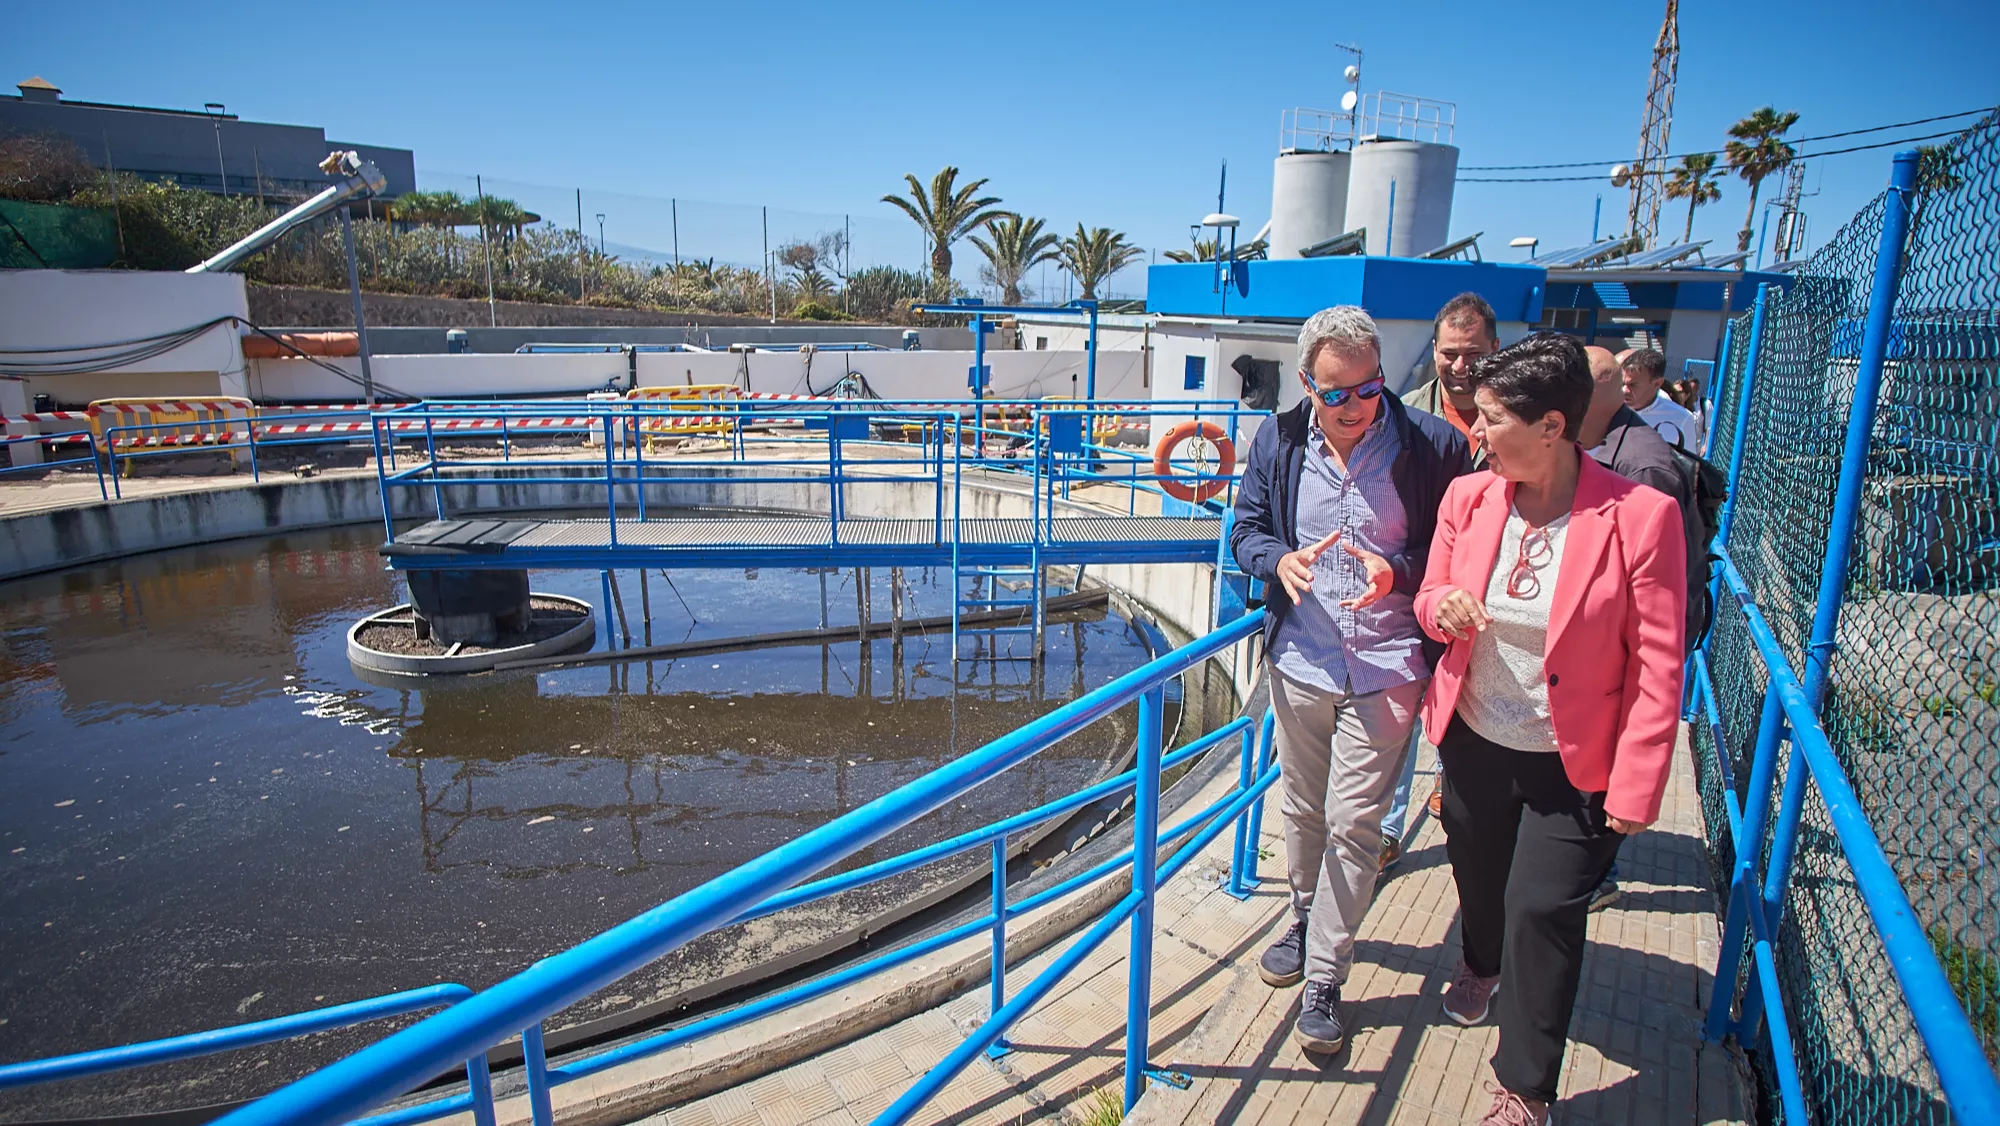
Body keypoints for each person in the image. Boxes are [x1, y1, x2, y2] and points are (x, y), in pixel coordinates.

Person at [1415, 332, 1685, 1125]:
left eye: (1493, 417)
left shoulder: (1642, 518)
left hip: (1574, 762)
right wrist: (1441, 608)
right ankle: (1481, 961)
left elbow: (1658, 663)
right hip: (1474, 741)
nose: (1477, 430)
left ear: (1552, 427)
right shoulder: (1469, 498)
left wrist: (1638, 784)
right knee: (1479, 880)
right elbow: (1430, 594)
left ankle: (1525, 1087)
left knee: (1542, 910)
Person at [1230, 305, 1473, 1054]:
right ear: (1308, 384)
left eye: (1369, 389)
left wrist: (1396, 570)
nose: (1355, 407)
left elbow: (1455, 551)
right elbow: (1245, 532)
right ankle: (1304, 917)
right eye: (1335, 394)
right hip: (1301, 661)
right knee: (1303, 810)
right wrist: (1279, 561)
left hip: (1389, 665)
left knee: (1354, 822)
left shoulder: (1433, 445)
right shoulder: (1277, 439)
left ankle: (1325, 977)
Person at [1383, 292, 1502, 867]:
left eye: (1474, 353)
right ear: (1434, 350)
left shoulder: (1514, 416)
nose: (1460, 365)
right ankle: (1385, 831)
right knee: (1399, 709)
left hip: (1490, 600)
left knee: (1470, 705)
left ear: (1495, 348)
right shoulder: (1404, 417)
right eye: (1450, 353)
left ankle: (1449, 787)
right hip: (1415, 588)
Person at [1576, 344, 1688, 912]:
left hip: (1617, 649)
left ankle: (1597, 873)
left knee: (1603, 762)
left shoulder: (1644, 469)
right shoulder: (1595, 444)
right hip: (1592, 644)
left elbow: (1653, 592)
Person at [1621, 348, 1702, 454]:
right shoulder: (1609, 407)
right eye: (1622, 383)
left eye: (1633, 385)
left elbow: (1687, 462)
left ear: (1657, 383)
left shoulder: (1682, 418)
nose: (1624, 390)